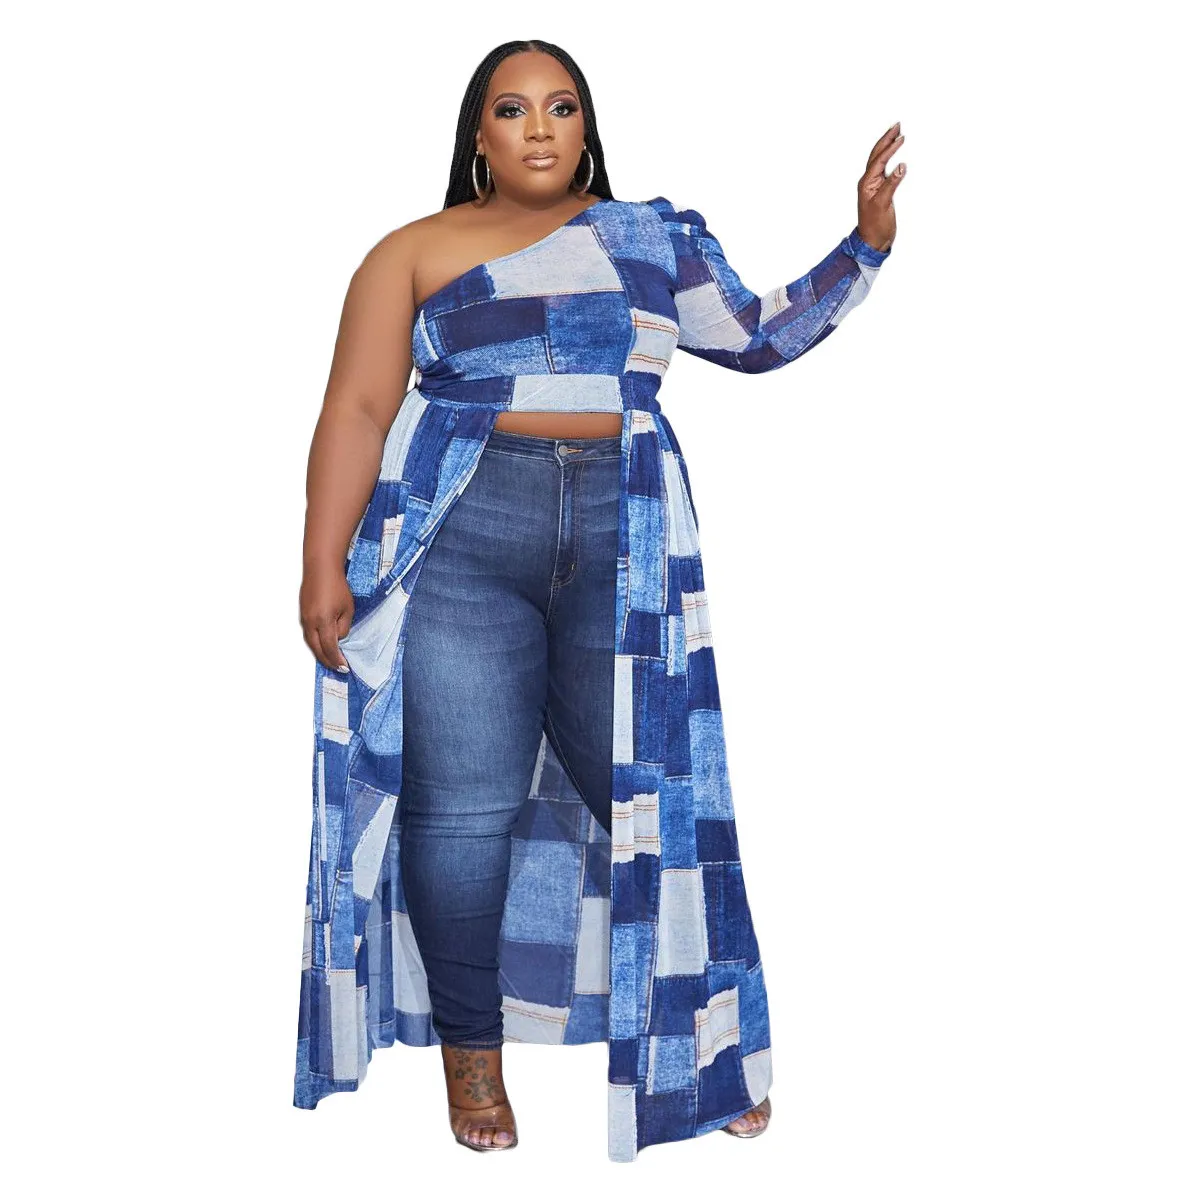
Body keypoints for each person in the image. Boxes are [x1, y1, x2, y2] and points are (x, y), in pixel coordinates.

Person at [296, 38, 903, 1158]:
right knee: (462, 808)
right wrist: (321, 563)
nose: (538, 127)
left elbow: (759, 336)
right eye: (512, 109)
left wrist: (862, 244)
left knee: (653, 787)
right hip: (461, 527)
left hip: (628, 527)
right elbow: (357, 408)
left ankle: (701, 1053)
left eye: (561, 106)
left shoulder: (652, 240)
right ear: (478, 136)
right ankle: (472, 1058)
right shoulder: (410, 252)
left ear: (586, 127)